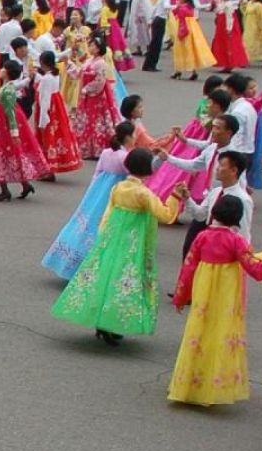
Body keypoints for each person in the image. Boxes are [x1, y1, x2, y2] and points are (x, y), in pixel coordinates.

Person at [51, 148, 180, 346]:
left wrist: (102, 238)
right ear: (147, 169)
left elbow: (107, 214)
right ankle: (111, 323)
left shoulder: (119, 188)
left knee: (105, 276)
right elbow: (165, 215)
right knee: (124, 279)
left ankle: (100, 320)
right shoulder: (143, 194)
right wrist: (176, 197)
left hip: (111, 239)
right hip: (132, 245)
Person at [169, 195, 262, 406]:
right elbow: (256, 269)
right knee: (219, 333)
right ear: (237, 218)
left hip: (203, 293)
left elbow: (188, 267)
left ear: (214, 213)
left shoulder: (202, 237)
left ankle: (188, 384)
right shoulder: (237, 240)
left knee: (198, 333)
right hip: (225, 295)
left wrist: (180, 296)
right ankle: (213, 386)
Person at [42, 122, 137, 280]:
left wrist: (91, 193)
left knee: (84, 225)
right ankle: (94, 270)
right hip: (113, 194)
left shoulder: (107, 152)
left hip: (97, 192)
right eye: (133, 135)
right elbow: (134, 175)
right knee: (103, 227)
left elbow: (97, 172)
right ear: (127, 137)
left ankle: (69, 261)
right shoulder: (124, 156)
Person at [0, 60, 50, 202]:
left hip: (3, 127)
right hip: (2, 125)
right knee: (12, 153)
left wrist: (14, 133)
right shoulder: (7, 88)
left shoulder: (8, 90)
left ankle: (5, 190)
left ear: (7, 72)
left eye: (3, 68)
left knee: (0, 152)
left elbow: (9, 112)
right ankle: (24, 184)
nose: (0, 70)